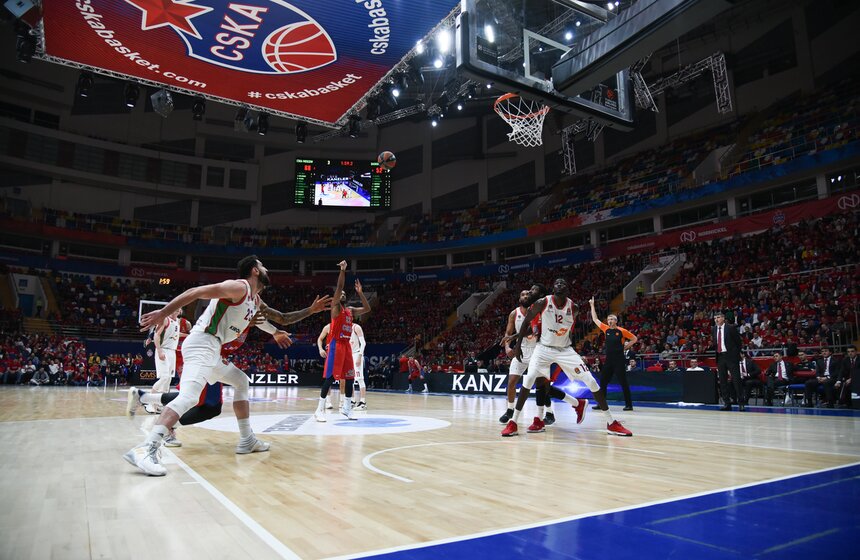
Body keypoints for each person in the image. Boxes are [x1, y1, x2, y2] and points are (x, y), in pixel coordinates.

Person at [124, 255, 313, 476]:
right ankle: (146, 448)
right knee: (189, 397)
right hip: (203, 342)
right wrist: (163, 314)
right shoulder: (238, 287)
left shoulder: (255, 301)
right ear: (254, 270)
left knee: (241, 380)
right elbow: (193, 293)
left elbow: (279, 318)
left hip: (212, 349)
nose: (266, 269)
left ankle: (246, 439)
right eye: (262, 266)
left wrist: (304, 315)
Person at [503, 277, 632, 437]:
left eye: (563, 283)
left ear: (568, 289)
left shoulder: (574, 307)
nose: (559, 284)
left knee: (590, 381)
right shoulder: (542, 303)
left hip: (564, 350)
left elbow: (566, 330)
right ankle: (514, 422)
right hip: (543, 348)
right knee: (530, 380)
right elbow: (529, 326)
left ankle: (611, 423)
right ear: (552, 288)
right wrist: (517, 343)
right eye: (556, 283)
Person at [312, 261, 371, 422]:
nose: (343, 293)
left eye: (345, 293)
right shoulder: (335, 308)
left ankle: (346, 408)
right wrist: (343, 271)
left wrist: (360, 293)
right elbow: (339, 287)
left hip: (346, 347)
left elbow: (367, 309)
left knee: (350, 377)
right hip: (335, 345)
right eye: (340, 293)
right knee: (330, 378)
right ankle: (319, 410)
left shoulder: (350, 311)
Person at [499, 286, 544, 424]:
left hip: (536, 349)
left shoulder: (537, 311)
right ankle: (510, 409)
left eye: (527, 294)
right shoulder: (514, 313)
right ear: (519, 299)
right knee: (511, 382)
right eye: (523, 294)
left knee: (540, 384)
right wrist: (507, 347)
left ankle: (544, 413)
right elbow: (508, 333)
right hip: (521, 349)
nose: (525, 296)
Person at [589, 296, 638, 411]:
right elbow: (595, 320)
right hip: (609, 360)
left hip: (619, 360)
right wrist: (592, 305)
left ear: (616, 321)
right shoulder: (606, 329)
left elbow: (634, 339)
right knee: (603, 382)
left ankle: (629, 405)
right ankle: (601, 404)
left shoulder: (622, 331)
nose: (610, 321)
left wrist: (625, 347)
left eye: (612, 319)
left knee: (623, 382)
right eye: (608, 319)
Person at [713, 312, 744, 411]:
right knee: (722, 381)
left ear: (723, 318)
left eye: (718, 317)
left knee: (736, 380)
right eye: (715, 318)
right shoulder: (713, 329)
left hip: (731, 357)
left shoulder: (730, 328)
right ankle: (727, 403)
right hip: (720, 357)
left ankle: (741, 403)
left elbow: (738, 342)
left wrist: (735, 354)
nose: (716, 320)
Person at [152, 308, 182, 398]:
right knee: (164, 377)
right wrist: (159, 350)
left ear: (180, 311)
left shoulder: (178, 321)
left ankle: (160, 403)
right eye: (174, 308)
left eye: (178, 309)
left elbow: (174, 333)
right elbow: (156, 335)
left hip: (172, 351)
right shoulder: (165, 319)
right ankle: (148, 398)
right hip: (163, 349)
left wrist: (187, 335)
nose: (176, 310)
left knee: (168, 379)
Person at [350, 321, 367, 410]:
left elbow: (363, 343)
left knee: (360, 378)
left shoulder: (356, 327)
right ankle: (352, 401)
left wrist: (360, 356)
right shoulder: (344, 328)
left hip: (356, 354)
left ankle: (363, 402)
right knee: (350, 379)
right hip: (349, 355)